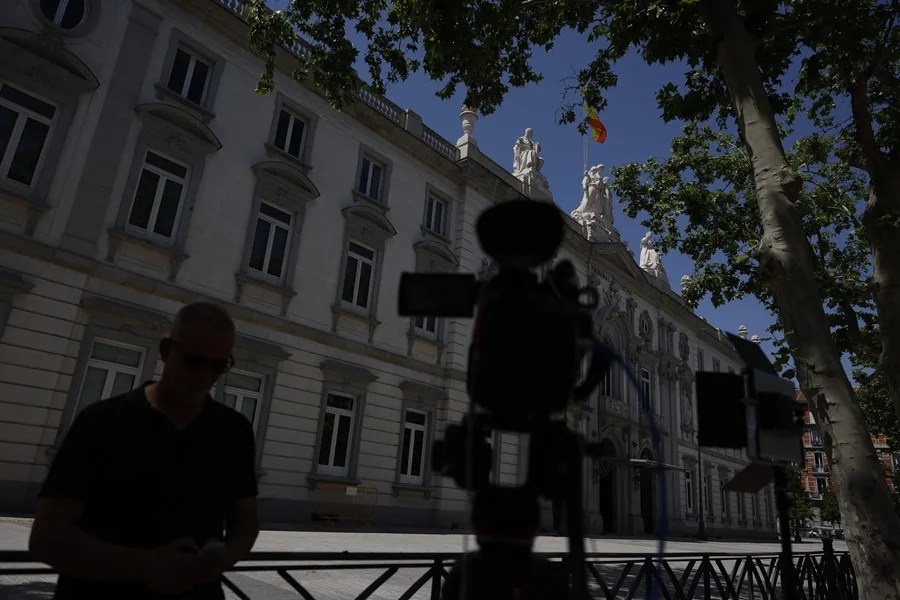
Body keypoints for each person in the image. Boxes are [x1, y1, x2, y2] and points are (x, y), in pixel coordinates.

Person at [29, 302, 260, 599]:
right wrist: (144, 565)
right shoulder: (100, 422)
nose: (207, 375)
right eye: (195, 361)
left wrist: (222, 558)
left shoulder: (234, 432)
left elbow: (246, 521)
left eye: (219, 365)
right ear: (166, 351)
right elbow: (47, 538)